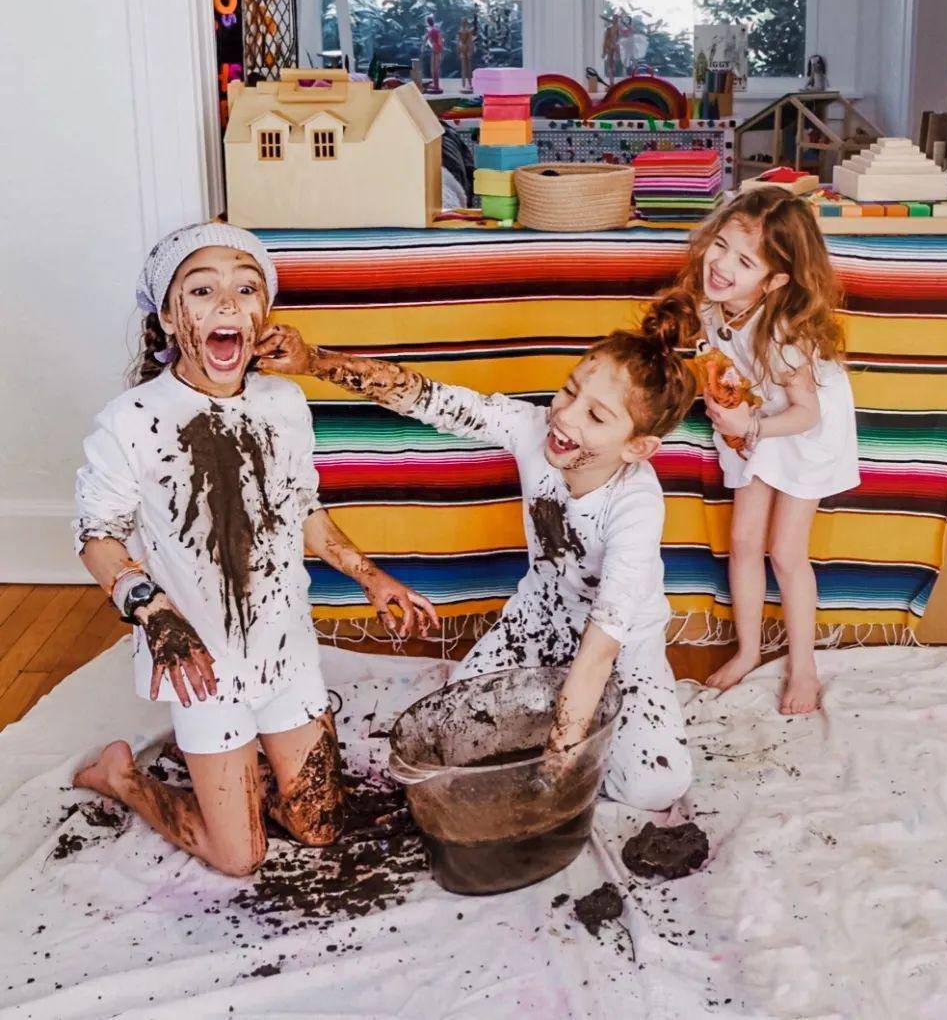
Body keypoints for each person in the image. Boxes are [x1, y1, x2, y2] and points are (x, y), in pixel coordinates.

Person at [72, 223, 438, 876]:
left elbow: (302, 509)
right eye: (202, 290)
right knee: (239, 856)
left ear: (262, 315)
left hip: (284, 651)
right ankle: (122, 778)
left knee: (321, 828)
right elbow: (97, 537)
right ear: (168, 317)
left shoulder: (284, 402)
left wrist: (371, 576)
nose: (226, 303)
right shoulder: (131, 420)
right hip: (203, 668)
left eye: (245, 289)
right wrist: (152, 610)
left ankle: (239, 769)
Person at [257, 322, 698, 811]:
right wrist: (313, 361)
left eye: (595, 415)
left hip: (619, 650)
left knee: (656, 784)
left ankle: (576, 721)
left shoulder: (636, 505)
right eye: (569, 391)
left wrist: (557, 763)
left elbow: (600, 650)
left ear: (637, 447)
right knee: (451, 735)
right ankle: (550, 709)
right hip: (537, 622)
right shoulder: (533, 427)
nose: (565, 416)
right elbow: (428, 398)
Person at [646, 187, 859, 715]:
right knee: (743, 541)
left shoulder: (784, 335)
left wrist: (752, 426)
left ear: (775, 280)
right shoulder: (712, 306)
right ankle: (748, 651)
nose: (721, 265)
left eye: (744, 262)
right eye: (720, 246)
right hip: (756, 423)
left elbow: (808, 414)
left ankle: (803, 667)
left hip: (802, 434)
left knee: (785, 551)